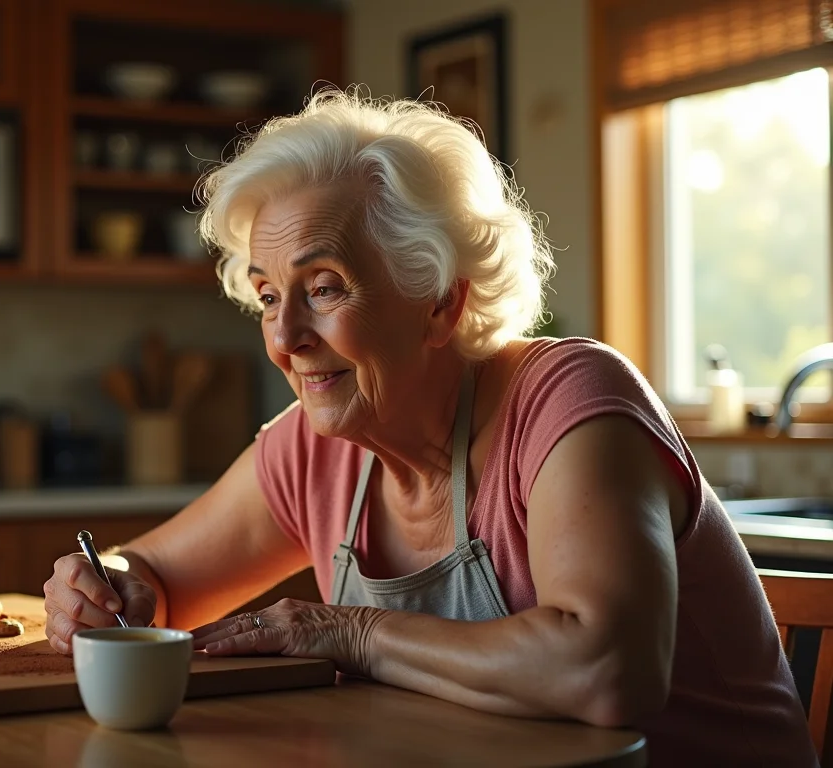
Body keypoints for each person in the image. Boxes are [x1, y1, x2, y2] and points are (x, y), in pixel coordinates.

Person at [43, 89, 817, 765]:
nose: (285, 340)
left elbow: (605, 670)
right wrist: (104, 583)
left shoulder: (570, 401)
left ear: (442, 302)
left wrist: (347, 632)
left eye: (324, 287)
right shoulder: (316, 446)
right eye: (269, 297)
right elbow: (158, 579)